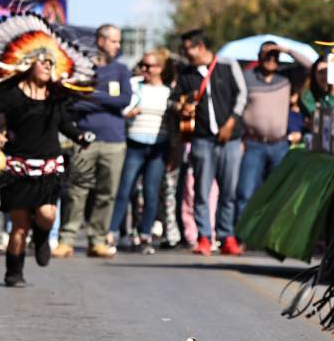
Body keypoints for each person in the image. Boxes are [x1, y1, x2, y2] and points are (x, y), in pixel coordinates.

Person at [0, 12, 94, 285]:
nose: (48, 66)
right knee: (19, 225)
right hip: (18, 166)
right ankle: (13, 272)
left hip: (49, 165)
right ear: (29, 63)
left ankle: (41, 237)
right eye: (44, 61)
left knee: (47, 214)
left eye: (51, 63)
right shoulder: (12, 94)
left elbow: (65, 124)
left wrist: (81, 136)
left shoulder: (56, 96)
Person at [56, 24, 132, 258]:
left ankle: (97, 240)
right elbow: (73, 101)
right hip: (84, 139)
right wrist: (104, 99)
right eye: (114, 41)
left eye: (119, 41)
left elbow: (124, 100)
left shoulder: (121, 70)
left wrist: (92, 97)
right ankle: (66, 239)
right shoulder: (83, 69)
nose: (118, 46)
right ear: (100, 41)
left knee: (107, 192)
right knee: (77, 189)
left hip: (114, 141)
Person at [174, 29, 246, 256]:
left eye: (188, 49)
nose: (185, 53)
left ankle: (227, 236)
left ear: (200, 47)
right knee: (201, 191)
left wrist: (231, 123)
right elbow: (173, 100)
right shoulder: (186, 74)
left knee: (229, 191)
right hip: (201, 139)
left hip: (230, 139)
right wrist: (180, 107)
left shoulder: (227, 65)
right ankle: (204, 237)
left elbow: (242, 95)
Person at [235, 41, 312, 222]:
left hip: (280, 145)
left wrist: (286, 50)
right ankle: (242, 232)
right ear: (259, 57)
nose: (271, 59)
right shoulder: (246, 77)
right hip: (253, 144)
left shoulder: (285, 78)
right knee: (246, 192)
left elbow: (311, 66)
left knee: (279, 192)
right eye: (267, 55)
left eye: (275, 55)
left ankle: (270, 233)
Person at [108, 51, 174, 255]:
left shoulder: (168, 92)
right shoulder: (134, 85)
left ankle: (145, 235)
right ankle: (112, 233)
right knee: (124, 190)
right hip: (134, 143)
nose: (144, 69)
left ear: (160, 69)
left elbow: (173, 123)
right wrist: (129, 113)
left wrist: (174, 151)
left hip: (158, 146)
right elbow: (121, 109)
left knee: (151, 192)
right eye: (142, 65)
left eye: (149, 66)